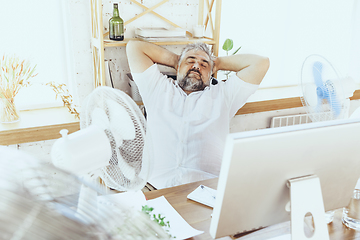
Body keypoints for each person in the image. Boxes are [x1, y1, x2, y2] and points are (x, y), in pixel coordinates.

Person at [126, 40, 269, 189]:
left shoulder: (224, 95)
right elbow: (134, 48)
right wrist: (176, 60)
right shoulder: (157, 87)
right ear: (178, 67)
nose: (196, 66)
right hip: (154, 186)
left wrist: (217, 62)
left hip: (205, 190)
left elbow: (260, 63)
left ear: (211, 72)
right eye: (190, 61)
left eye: (204, 64)